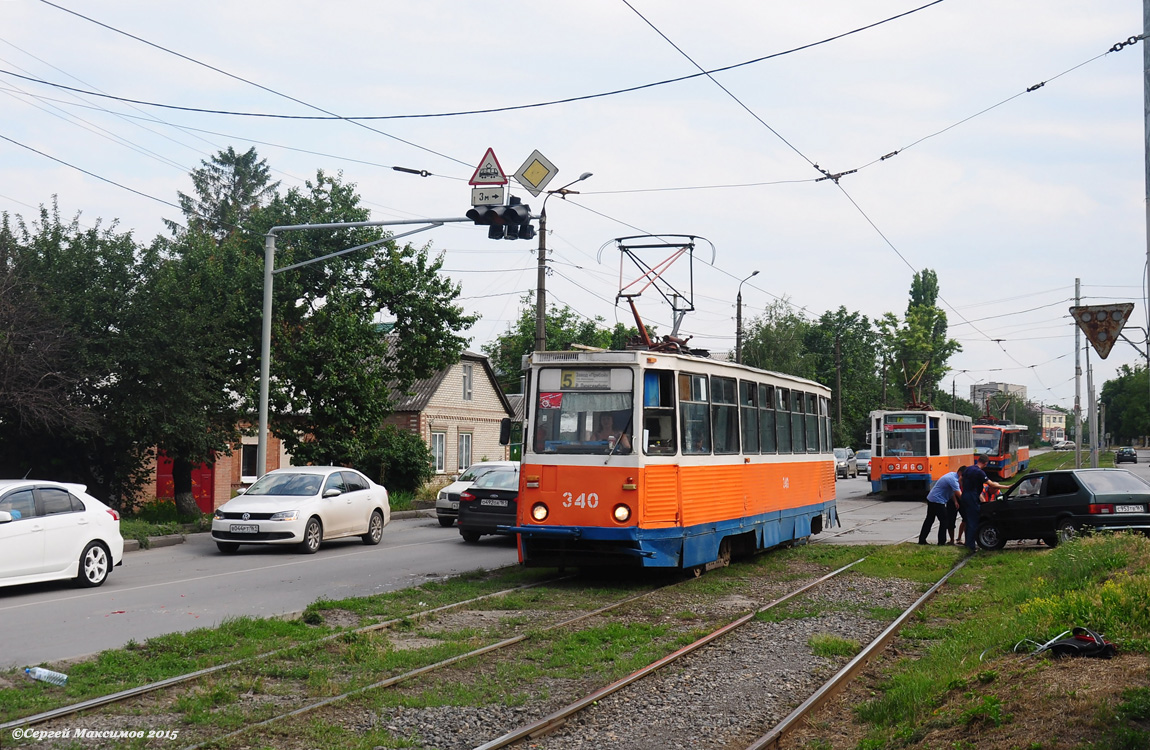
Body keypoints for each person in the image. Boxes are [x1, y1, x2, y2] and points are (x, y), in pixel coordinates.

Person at [959, 455, 1007, 552]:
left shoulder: (968, 469)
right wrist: (1008, 486)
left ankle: (968, 542)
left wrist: (964, 489)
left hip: (965, 495)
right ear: (985, 463)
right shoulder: (979, 472)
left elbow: (960, 479)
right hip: (973, 496)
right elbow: (992, 484)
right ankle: (971, 546)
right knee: (973, 521)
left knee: (968, 520)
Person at [920, 466, 962, 545]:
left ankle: (922, 540)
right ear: (960, 473)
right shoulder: (953, 480)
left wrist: (955, 501)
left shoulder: (952, 475)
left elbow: (952, 491)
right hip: (937, 501)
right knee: (944, 521)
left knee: (929, 520)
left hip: (932, 498)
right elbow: (959, 494)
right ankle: (941, 542)